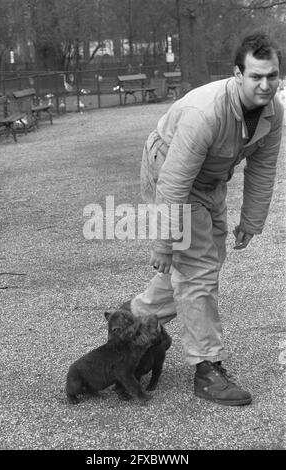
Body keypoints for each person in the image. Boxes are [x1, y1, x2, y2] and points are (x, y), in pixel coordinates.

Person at [128, 32, 284, 406]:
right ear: (237, 74)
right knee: (197, 269)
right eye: (256, 76)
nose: (265, 85)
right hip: (170, 172)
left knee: (202, 261)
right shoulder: (206, 113)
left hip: (210, 179)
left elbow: (263, 168)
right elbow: (174, 182)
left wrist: (252, 220)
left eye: (272, 76)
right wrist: (165, 243)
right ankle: (206, 368)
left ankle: (135, 319)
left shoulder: (273, 112)